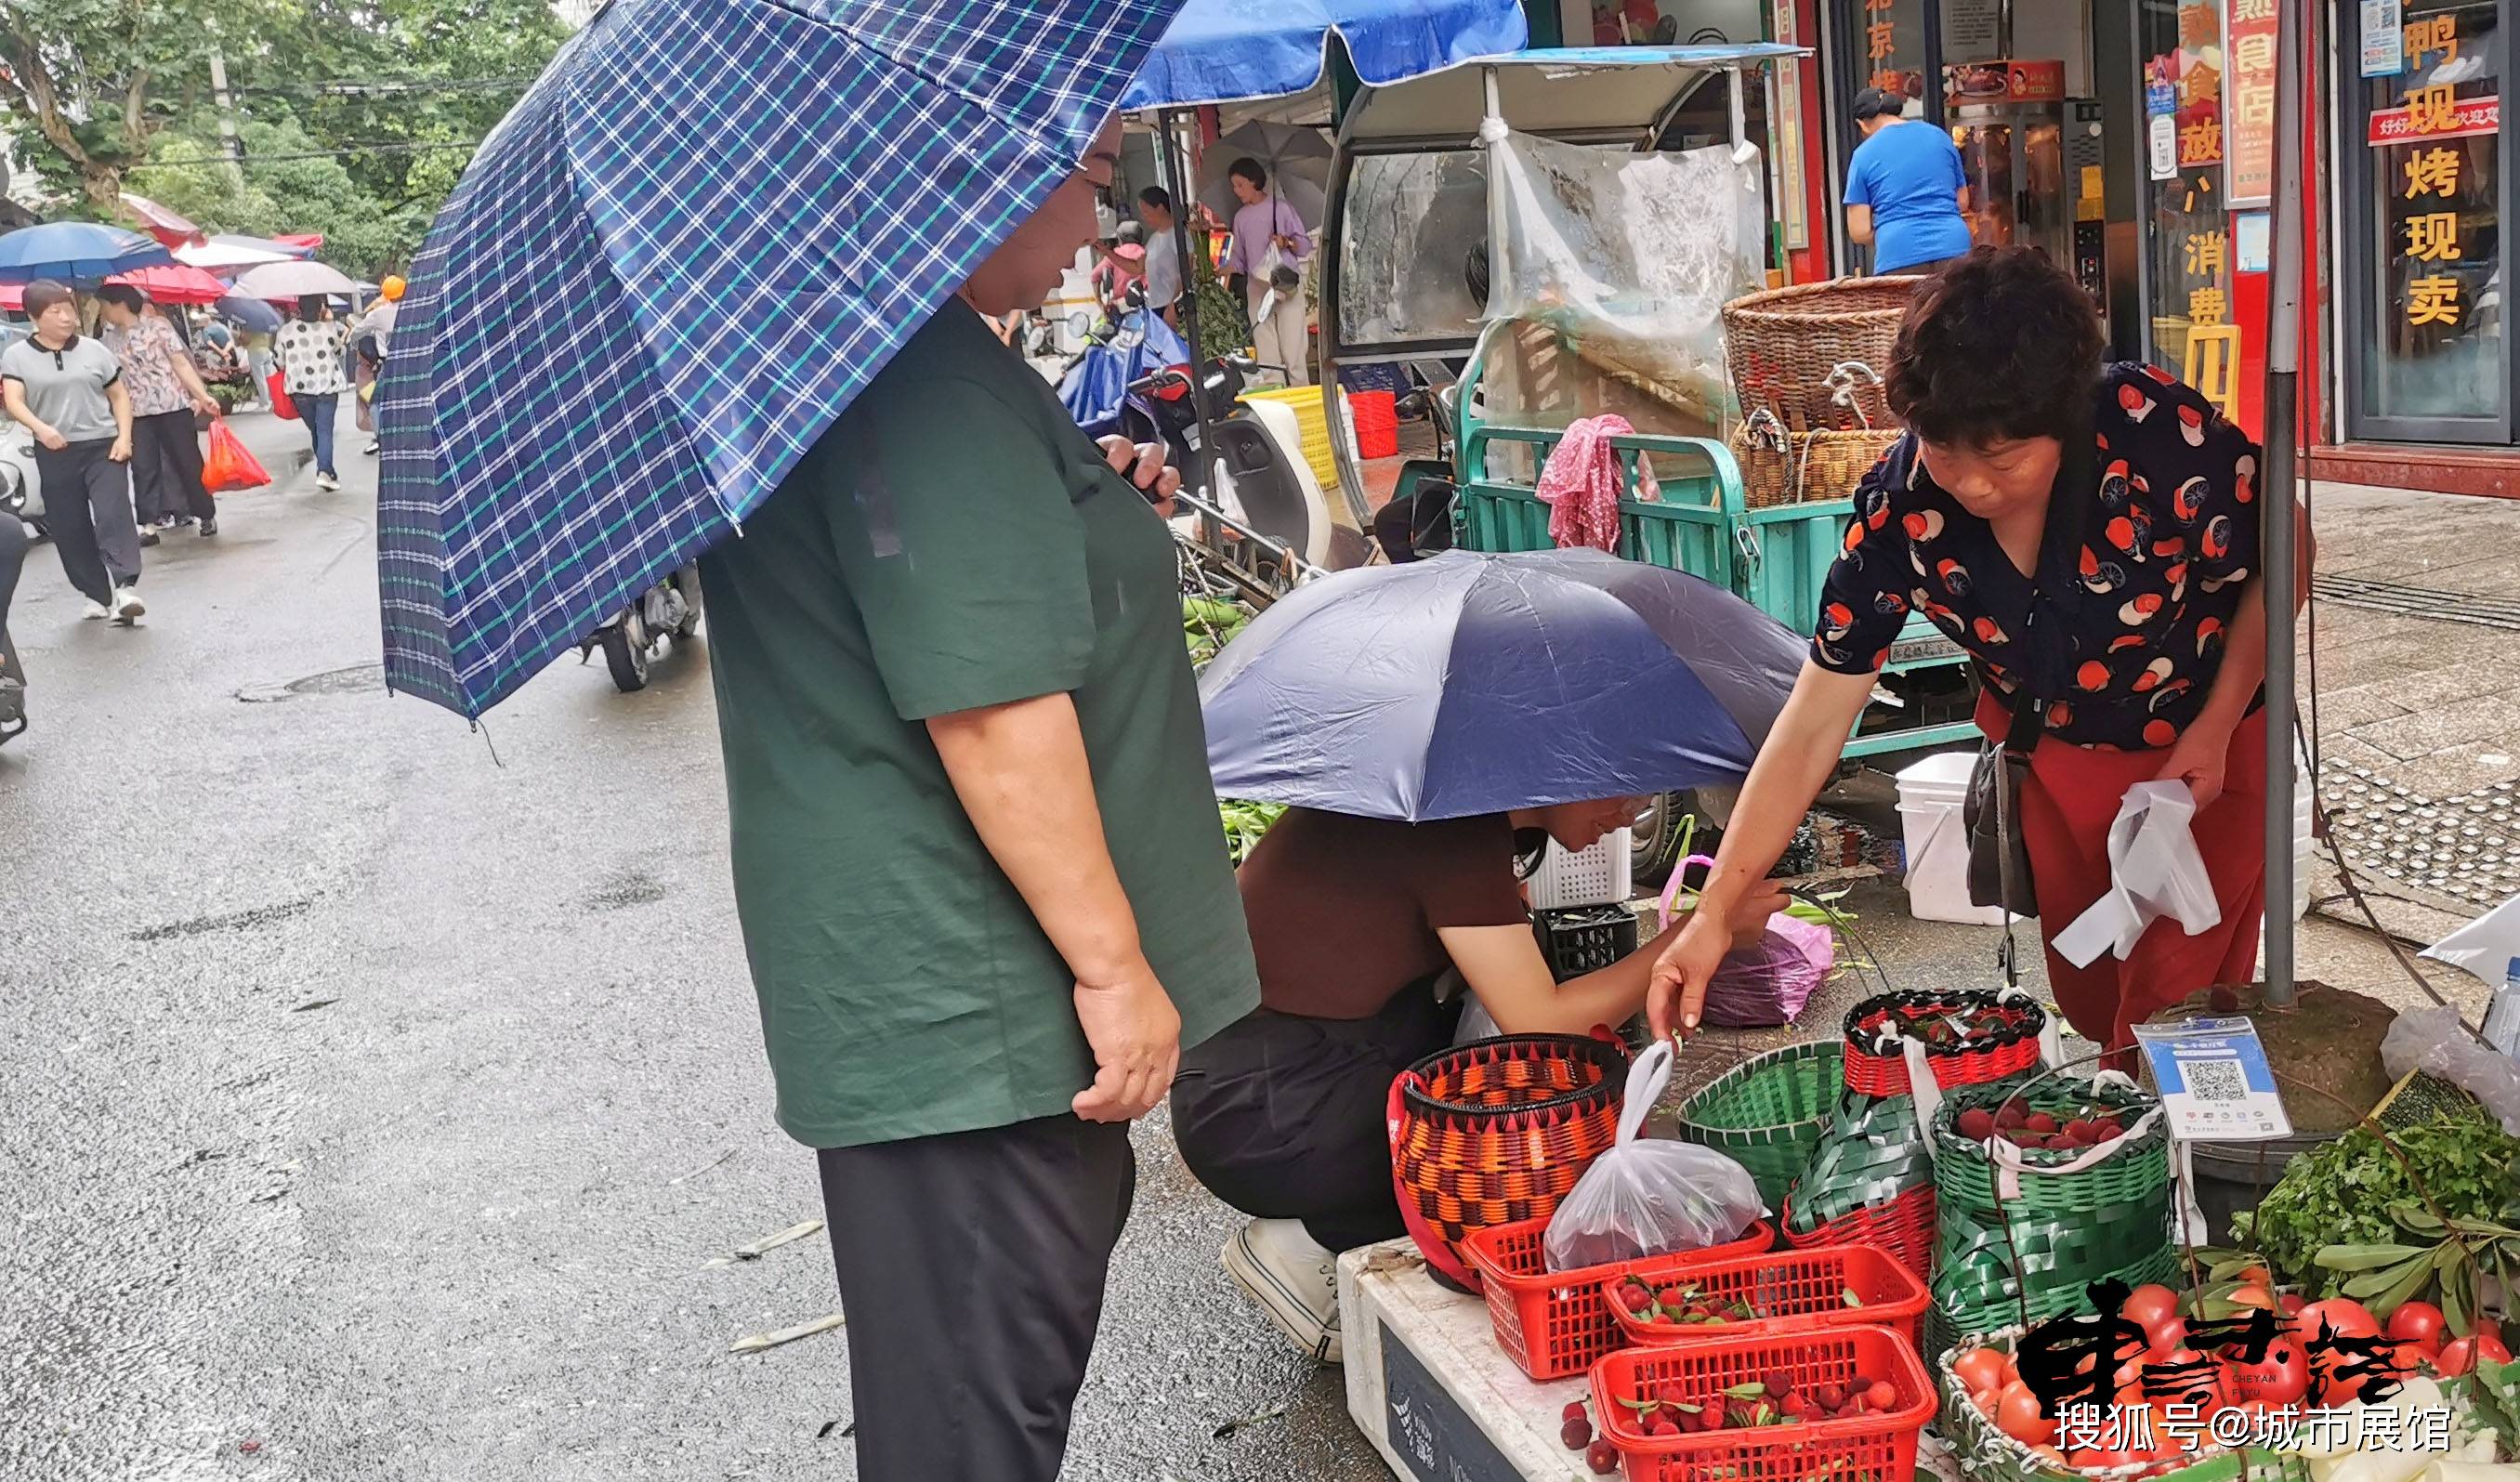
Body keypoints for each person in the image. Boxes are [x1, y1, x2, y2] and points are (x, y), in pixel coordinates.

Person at [694, 114, 1258, 1482]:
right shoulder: (911, 376)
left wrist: (1089, 504)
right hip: (977, 1004)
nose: (1103, 211)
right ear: (968, 180)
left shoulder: (886, 360)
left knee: (964, 1400)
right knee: (967, 1424)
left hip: (943, 1000)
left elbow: (966, 581)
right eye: (1089, 173)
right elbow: (992, 705)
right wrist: (1117, 972)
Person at [1649, 246, 2308, 1054]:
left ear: (2066, 421)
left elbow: (2286, 548)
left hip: (2210, 751)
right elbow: (1816, 716)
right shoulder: (1900, 511)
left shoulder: (2150, 431)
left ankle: (2179, 1167)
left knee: (2174, 1010)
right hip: (2058, 769)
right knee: (2093, 993)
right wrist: (1715, 910)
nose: (1971, 484)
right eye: (1944, 450)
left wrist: (2217, 721)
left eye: (2001, 458)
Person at [1172, 801, 1785, 1363]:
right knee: (1522, 1152)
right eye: (1620, 786)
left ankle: (1332, 1220)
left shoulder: (1455, 822)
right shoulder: (1449, 831)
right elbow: (1542, 1020)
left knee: (1526, 1099)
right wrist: (1700, 933)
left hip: (1265, 1083)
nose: (1628, 813)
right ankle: (1313, 1239)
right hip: (1264, 1115)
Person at [0, 280, 145, 623]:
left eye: (68, 308)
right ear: (35, 317)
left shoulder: (95, 350)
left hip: (103, 445)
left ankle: (125, 588)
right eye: (56, 311)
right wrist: (42, 428)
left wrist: (124, 437)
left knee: (113, 512)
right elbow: (13, 400)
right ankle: (95, 593)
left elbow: (119, 396)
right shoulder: (16, 356)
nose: (67, 317)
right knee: (70, 525)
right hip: (55, 450)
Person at [98, 285, 221, 539]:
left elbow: (180, 363)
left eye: (104, 305)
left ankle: (206, 514)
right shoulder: (108, 341)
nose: (103, 311)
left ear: (120, 304)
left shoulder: (159, 327)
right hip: (137, 413)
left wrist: (202, 396)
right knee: (143, 467)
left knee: (188, 462)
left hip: (172, 406)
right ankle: (149, 523)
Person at [1843, 87, 1973, 275]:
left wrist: (1894, 230)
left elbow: (1860, 230)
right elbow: (1962, 201)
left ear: (1862, 124)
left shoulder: (1863, 154)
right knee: (1957, 305)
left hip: (1898, 255)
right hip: (1953, 247)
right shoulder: (1939, 137)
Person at [1221, 157, 1313, 387]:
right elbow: (1240, 259)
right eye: (1233, 185)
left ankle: (1300, 394)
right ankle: (1277, 395)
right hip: (1257, 287)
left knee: (1293, 349)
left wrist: (1286, 243)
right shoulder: (1240, 218)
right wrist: (1217, 271)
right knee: (1266, 348)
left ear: (1254, 182)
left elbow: (1304, 247)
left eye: (1240, 184)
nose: (1236, 190)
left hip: (1286, 284)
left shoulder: (1281, 208)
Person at [273, 293, 351, 491]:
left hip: (299, 392)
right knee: (323, 430)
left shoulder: (285, 331)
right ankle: (324, 471)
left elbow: (279, 362)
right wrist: (329, 322)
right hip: (326, 388)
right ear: (320, 308)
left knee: (317, 430)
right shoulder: (327, 329)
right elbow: (341, 351)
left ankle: (327, 471)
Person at [1136, 185, 1182, 329]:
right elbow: (1138, 268)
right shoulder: (1154, 239)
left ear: (1160, 207)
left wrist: (1173, 305)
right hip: (1155, 307)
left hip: (1170, 309)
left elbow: (1186, 272)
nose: (1144, 217)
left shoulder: (1178, 235)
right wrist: (1107, 252)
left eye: (1146, 212)